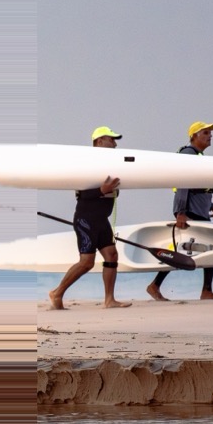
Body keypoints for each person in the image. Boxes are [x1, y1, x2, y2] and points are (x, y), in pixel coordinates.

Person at [47, 126, 132, 310]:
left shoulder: (111, 165)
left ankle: (109, 300)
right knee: (86, 262)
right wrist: (102, 190)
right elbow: (81, 193)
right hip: (86, 220)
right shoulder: (86, 163)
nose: (115, 143)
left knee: (112, 255)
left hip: (102, 220)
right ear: (100, 141)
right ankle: (57, 292)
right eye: (112, 139)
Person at [146, 121, 213, 301]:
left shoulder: (198, 156)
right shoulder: (187, 154)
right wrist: (181, 213)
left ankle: (206, 291)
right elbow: (183, 183)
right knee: (183, 250)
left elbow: (201, 190)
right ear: (194, 136)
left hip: (199, 210)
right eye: (205, 133)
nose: (210, 136)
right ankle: (155, 286)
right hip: (189, 211)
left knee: (211, 248)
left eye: (210, 133)